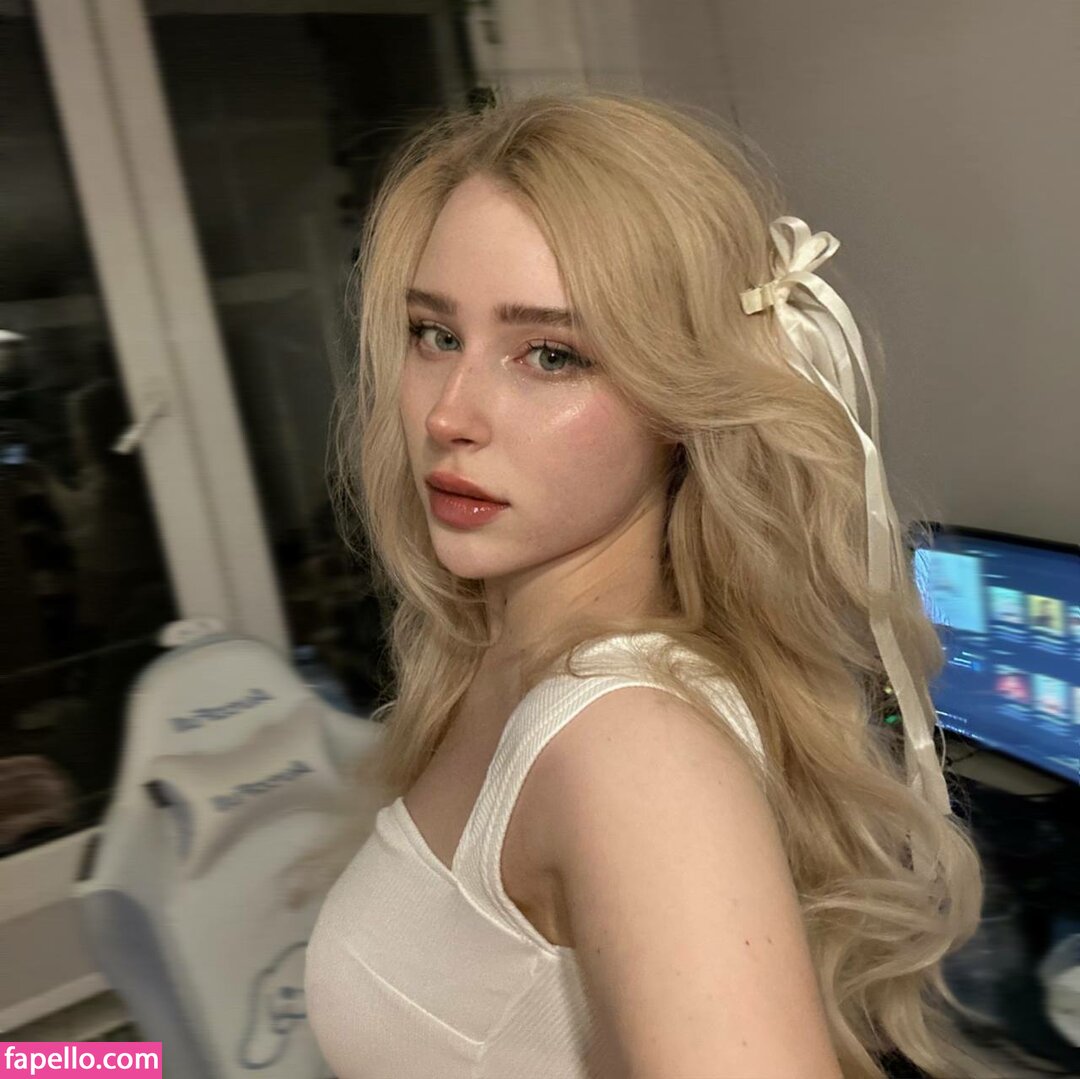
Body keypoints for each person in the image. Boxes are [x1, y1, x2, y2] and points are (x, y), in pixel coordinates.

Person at [302, 90, 991, 1079]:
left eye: (550, 354)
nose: (449, 414)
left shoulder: (628, 750)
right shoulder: (493, 660)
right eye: (435, 334)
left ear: (681, 400)